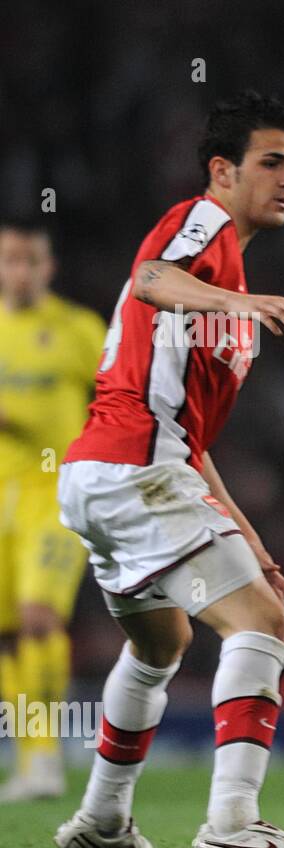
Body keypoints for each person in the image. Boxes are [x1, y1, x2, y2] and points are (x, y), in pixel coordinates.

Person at [53, 90, 284, 848]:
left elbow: (194, 444)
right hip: (132, 467)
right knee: (261, 625)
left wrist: (254, 545)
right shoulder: (201, 224)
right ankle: (233, 827)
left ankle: (104, 820)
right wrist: (246, 300)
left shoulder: (227, 275)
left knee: (158, 645)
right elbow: (148, 278)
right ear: (222, 170)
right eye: (272, 162)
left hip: (108, 475)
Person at [0, 220, 104, 802]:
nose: (19, 272)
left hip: (55, 493)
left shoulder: (78, 329)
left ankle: (51, 757)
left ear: (49, 266)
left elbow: (118, 401)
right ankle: (33, 759)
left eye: (29, 261)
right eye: (9, 260)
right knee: (9, 633)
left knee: (40, 618)